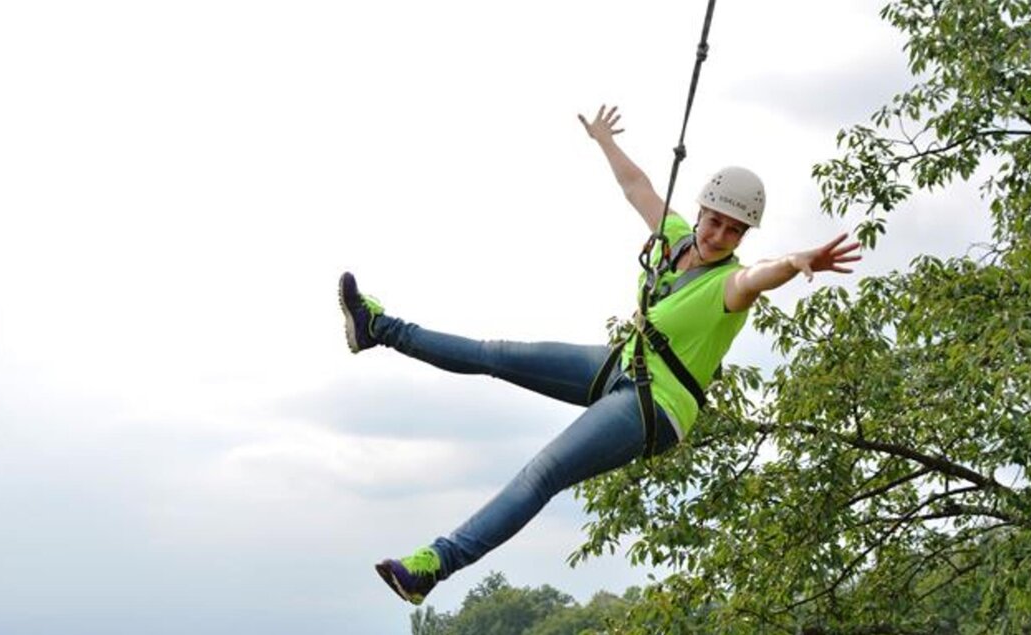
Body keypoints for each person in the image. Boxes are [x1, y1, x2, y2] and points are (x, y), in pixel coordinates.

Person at [338, 105, 862, 605]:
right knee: (493, 353)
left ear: (744, 235)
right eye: (715, 221)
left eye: (733, 230)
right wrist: (606, 141)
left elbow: (758, 276)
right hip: (621, 364)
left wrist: (794, 261)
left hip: (654, 405)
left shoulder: (730, 285)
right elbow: (638, 188)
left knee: (543, 472)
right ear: (700, 211)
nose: (720, 235)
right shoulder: (674, 240)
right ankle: (378, 328)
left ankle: (435, 565)